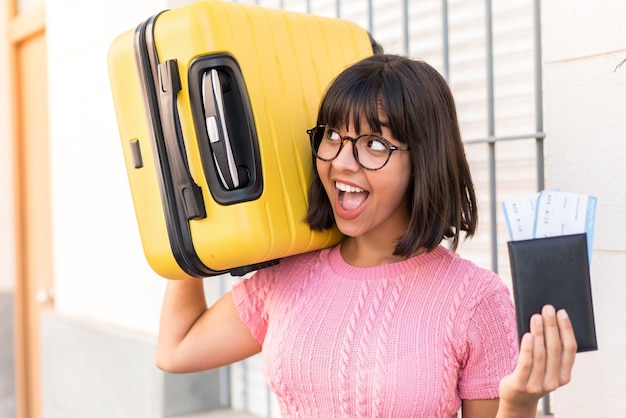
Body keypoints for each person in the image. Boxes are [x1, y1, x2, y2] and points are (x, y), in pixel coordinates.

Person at [156, 54, 577, 417]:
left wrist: (520, 405)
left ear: (425, 161)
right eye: (333, 136)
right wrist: (188, 206)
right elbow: (177, 349)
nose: (342, 162)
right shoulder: (288, 274)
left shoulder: (475, 298)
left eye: (374, 144)